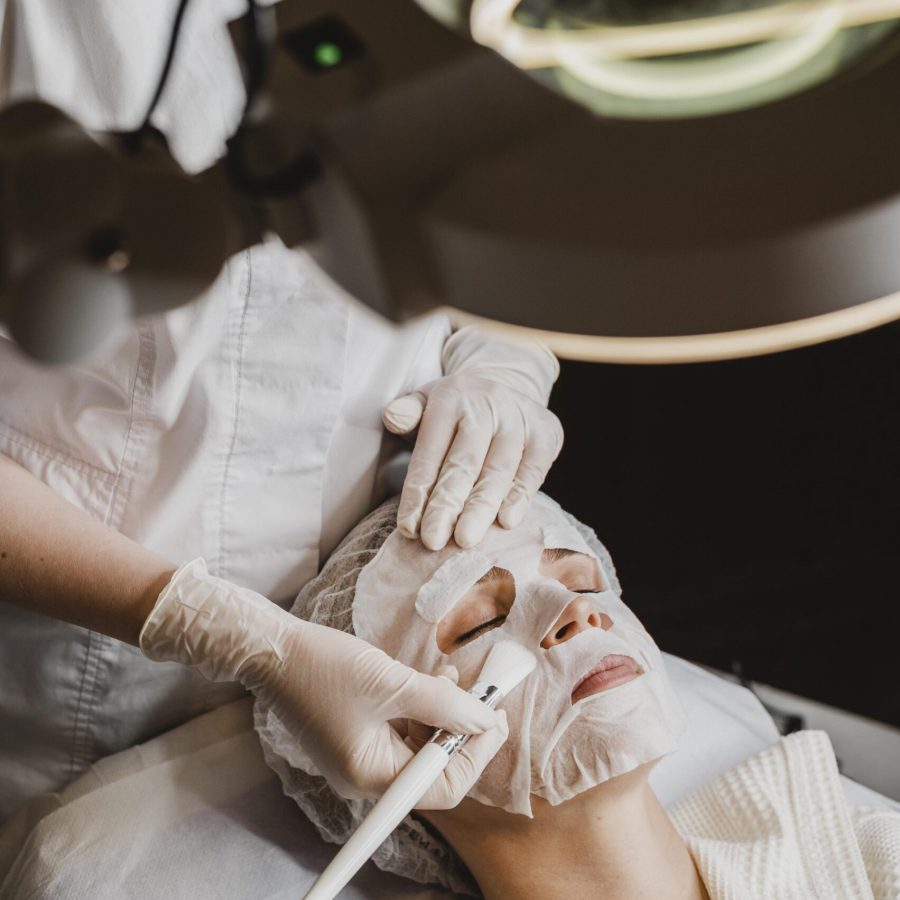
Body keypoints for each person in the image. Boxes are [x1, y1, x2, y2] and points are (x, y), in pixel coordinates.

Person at [0, 0, 564, 822]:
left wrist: (505, 359)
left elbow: (531, 206)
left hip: (373, 632)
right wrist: (244, 639)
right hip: (77, 665)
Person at [255, 495, 900, 899]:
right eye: (480, 622)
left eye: (585, 582)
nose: (574, 612)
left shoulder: (862, 854)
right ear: (396, 745)